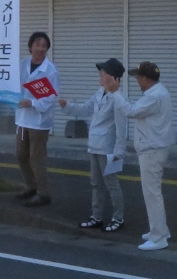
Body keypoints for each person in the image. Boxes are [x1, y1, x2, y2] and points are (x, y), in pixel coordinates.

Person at [0, 31, 60, 207]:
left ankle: (43, 193)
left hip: (39, 121)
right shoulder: (23, 64)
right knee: (21, 155)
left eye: (44, 46)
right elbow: (8, 80)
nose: (40, 48)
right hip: (22, 119)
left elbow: (51, 97)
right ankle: (31, 186)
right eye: (37, 44)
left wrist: (32, 102)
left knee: (36, 157)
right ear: (30, 46)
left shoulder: (51, 70)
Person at [103, 61, 175, 251]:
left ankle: (159, 237)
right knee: (153, 192)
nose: (137, 80)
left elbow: (130, 111)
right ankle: (159, 231)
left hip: (152, 149)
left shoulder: (154, 96)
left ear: (145, 78)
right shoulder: (158, 92)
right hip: (154, 147)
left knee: (152, 193)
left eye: (138, 77)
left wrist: (115, 91)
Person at [58, 58, 126, 232]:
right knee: (95, 182)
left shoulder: (118, 98)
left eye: (103, 73)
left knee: (111, 183)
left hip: (108, 147)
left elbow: (121, 127)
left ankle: (118, 218)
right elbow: (85, 108)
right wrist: (68, 106)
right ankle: (97, 216)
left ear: (112, 77)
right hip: (94, 144)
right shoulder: (99, 93)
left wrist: (119, 151)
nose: (100, 75)